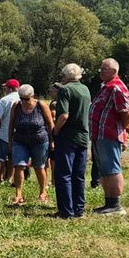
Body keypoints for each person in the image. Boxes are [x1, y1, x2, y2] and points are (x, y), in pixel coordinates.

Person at [89, 58, 129, 216]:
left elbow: (126, 113)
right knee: (104, 170)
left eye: (104, 69)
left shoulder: (116, 88)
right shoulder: (106, 87)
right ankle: (108, 203)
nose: (101, 71)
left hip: (110, 134)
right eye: (101, 68)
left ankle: (116, 205)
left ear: (114, 71)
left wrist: (125, 126)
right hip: (99, 135)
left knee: (112, 169)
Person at [51, 63, 91, 219]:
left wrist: (56, 129)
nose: (62, 78)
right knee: (78, 175)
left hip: (68, 137)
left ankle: (66, 211)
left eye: (63, 75)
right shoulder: (85, 89)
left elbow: (64, 115)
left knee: (64, 174)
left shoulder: (65, 89)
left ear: (67, 76)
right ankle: (79, 209)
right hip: (83, 136)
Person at [8, 84, 54, 205]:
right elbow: (11, 124)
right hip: (20, 140)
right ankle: (18, 194)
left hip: (40, 141)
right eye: (21, 98)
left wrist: (53, 140)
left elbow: (50, 124)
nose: (24, 101)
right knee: (19, 166)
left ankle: (43, 192)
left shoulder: (41, 105)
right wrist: (10, 140)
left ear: (32, 96)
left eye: (26, 99)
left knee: (39, 166)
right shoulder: (16, 106)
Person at [0, 79, 20, 185]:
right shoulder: (22, 99)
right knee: (13, 158)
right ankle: (10, 179)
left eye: (6, 87)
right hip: (18, 134)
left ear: (9, 88)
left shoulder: (4, 100)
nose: (5, 89)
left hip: (4, 133)